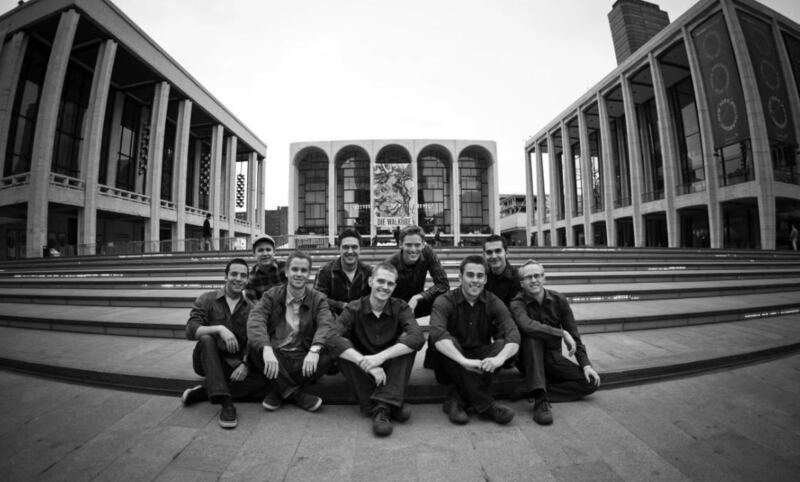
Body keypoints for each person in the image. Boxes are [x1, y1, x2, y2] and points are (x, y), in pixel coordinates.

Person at [325, 262, 424, 437]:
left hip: (389, 369)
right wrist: (366, 363)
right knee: (341, 349)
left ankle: (380, 408)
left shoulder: (401, 307)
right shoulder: (354, 308)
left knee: (408, 346)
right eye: (381, 281)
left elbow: (417, 337)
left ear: (394, 286)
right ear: (371, 281)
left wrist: (381, 357)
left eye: (390, 283)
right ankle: (389, 404)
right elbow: (331, 337)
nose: (385, 287)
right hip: (362, 368)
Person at [427, 255, 520, 425]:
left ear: (485, 279)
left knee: (500, 345)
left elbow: (513, 333)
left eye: (480, 276)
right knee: (447, 341)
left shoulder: (493, 301)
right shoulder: (444, 300)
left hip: (478, 358)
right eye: (470, 275)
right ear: (460, 277)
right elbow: (437, 333)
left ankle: (456, 399)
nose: (475, 280)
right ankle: (486, 406)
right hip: (450, 362)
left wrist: (499, 358)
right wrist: (462, 361)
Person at [509, 260, 601, 426]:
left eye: (537, 275)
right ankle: (541, 399)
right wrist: (561, 333)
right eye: (528, 277)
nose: (533, 280)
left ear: (544, 278)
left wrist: (586, 365)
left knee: (590, 383)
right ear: (521, 283)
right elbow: (527, 326)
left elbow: (575, 335)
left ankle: (532, 388)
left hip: (552, 358)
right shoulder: (517, 303)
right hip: (528, 359)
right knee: (532, 337)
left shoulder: (559, 300)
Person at [182, 258, 268, 429]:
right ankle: (226, 402)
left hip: (233, 364)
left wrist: (245, 364)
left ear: (247, 280)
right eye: (234, 274)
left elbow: (253, 340)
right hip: (206, 360)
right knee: (206, 339)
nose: (238, 278)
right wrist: (219, 329)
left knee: (266, 380)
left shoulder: (251, 308)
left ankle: (205, 392)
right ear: (225, 276)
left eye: (243, 275)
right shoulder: (207, 299)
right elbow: (190, 330)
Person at [246, 251, 334, 413]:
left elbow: (326, 324)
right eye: (294, 269)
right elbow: (255, 320)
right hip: (276, 356)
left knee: (331, 351)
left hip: (304, 357)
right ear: (286, 272)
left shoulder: (318, 298)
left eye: (303, 270)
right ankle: (296, 394)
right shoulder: (271, 295)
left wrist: (315, 349)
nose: (299, 274)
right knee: (254, 346)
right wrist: (266, 349)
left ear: (309, 274)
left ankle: (280, 388)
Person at [386, 225, 449, 318]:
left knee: (447, 299)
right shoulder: (390, 263)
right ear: (400, 244)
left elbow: (443, 284)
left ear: (423, 244)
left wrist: (418, 297)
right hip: (395, 307)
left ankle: (438, 329)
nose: (413, 249)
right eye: (408, 245)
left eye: (417, 245)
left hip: (418, 302)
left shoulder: (427, 252)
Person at [314, 228, 373, 316]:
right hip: (333, 322)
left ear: (360, 249)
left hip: (361, 323)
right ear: (339, 249)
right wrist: (342, 306)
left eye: (354, 247)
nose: (350, 251)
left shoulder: (369, 272)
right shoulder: (324, 272)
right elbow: (317, 300)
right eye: (345, 247)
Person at [244, 234, 286, 302]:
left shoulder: (285, 268)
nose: (265, 254)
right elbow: (253, 305)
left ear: (274, 252)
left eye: (268, 250)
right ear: (254, 253)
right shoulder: (250, 277)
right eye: (260, 250)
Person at [483, 234, 519, 306]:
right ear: (484, 255)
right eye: (489, 252)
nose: (494, 256)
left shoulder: (518, 278)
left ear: (507, 253)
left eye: (498, 251)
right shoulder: (480, 276)